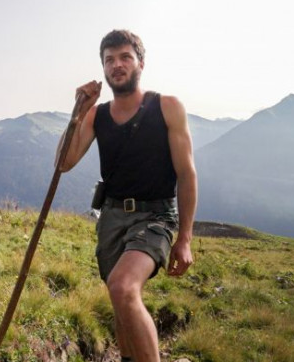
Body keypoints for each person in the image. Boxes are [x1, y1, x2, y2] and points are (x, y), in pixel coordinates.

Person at [59, 29, 197, 362]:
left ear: (141, 63)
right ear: (103, 68)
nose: (116, 65)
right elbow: (63, 163)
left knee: (122, 286)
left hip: (155, 216)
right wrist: (78, 114)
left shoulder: (167, 107)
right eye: (109, 60)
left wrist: (184, 239)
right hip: (112, 218)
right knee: (120, 298)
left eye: (125, 57)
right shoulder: (97, 115)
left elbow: (186, 174)